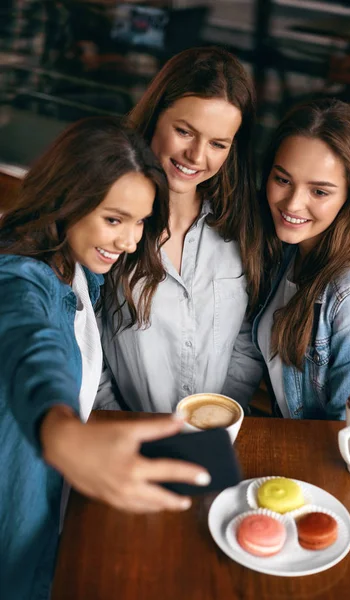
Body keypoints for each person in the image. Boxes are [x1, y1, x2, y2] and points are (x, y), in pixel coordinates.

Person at [0, 117, 211, 600]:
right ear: (66, 199)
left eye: (139, 222)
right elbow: (33, 350)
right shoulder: (18, 279)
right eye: (114, 220)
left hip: (56, 516)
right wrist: (62, 431)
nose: (130, 241)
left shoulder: (77, 267)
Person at [97, 47, 264, 413]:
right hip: (126, 444)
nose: (197, 157)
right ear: (156, 117)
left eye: (218, 144)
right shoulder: (106, 220)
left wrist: (216, 418)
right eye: (185, 132)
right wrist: (127, 430)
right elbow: (86, 346)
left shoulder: (241, 225)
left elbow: (246, 337)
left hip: (216, 438)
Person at [250, 98, 350, 420]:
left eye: (319, 192)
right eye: (283, 180)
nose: (292, 204)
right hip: (294, 445)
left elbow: (349, 431)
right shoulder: (287, 248)